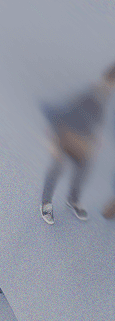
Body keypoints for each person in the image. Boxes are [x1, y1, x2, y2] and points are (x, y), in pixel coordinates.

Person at [38, 64, 115, 223]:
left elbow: (94, 120)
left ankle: (72, 200)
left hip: (80, 140)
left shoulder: (103, 98)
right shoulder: (89, 94)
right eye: (112, 82)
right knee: (57, 168)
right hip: (65, 135)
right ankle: (46, 203)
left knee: (83, 168)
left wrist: (94, 138)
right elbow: (64, 112)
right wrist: (55, 142)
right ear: (107, 78)